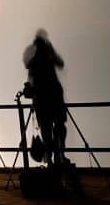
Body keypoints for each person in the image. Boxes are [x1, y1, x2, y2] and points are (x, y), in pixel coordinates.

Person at [23, 29, 67, 167]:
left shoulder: (46, 54)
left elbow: (60, 63)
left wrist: (50, 51)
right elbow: (29, 65)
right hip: (46, 96)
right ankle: (53, 157)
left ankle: (57, 156)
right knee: (49, 128)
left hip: (47, 96)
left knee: (56, 127)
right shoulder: (36, 55)